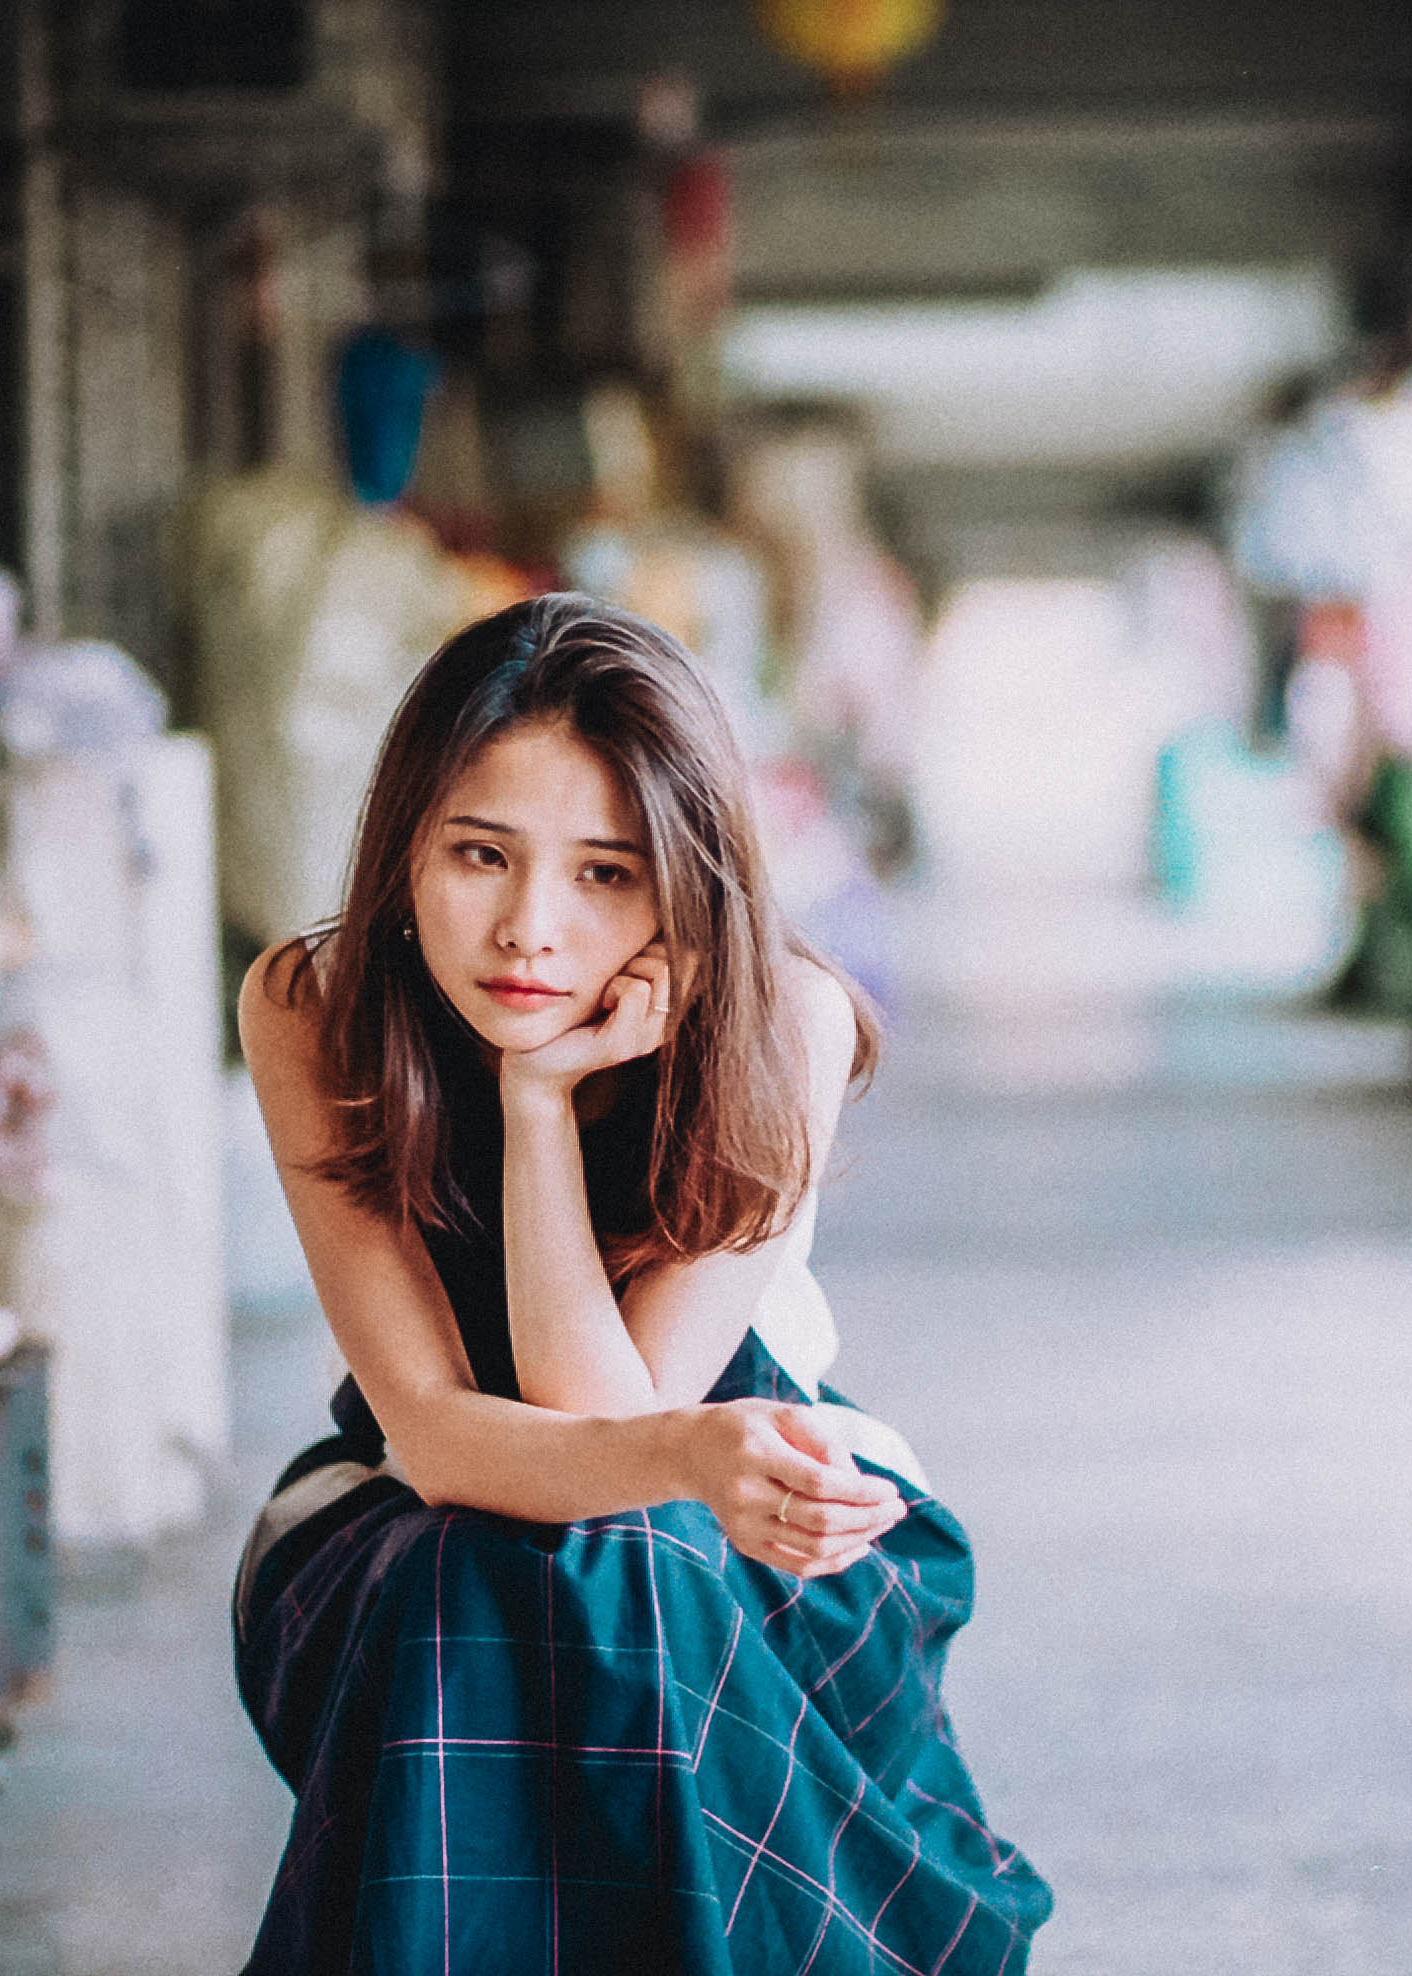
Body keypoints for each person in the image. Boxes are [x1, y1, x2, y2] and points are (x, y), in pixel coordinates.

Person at [231, 595, 1049, 1972]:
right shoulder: (314, 1004)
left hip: (760, 1522)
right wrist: (534, 1095)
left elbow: (617, 1414)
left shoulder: (785, 1015)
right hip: (413, 1501)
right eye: (479, 855)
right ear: (403, 850)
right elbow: (435, 1437)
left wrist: (538, 1117)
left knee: (619, 1565)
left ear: (687, 881)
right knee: (493, 1566)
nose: (527, 932)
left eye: (606, 874)